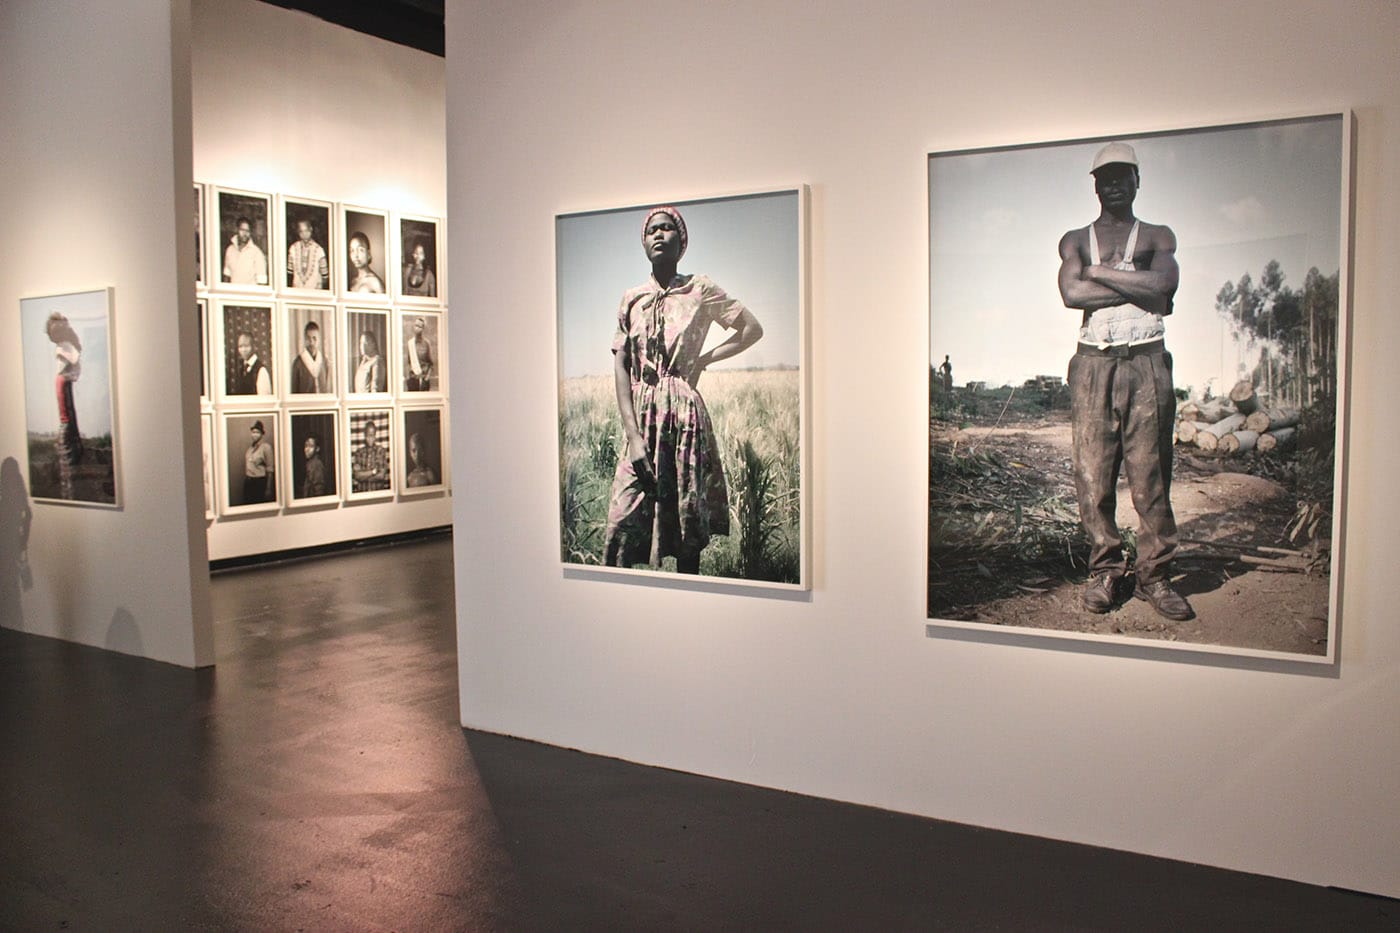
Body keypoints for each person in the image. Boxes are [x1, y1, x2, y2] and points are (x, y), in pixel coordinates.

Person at [1057, 141, 1191, 621]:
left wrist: (1102, 278)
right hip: (1094, 365)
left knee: (1150, 475)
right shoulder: (1076, 241)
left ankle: (1155, 576)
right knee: (1092, 475)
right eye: (1105, 177)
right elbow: (1073, 293)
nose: (1114, 184)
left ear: (1138, 181)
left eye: (1122, 176)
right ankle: (1107, 570)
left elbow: (1164, 287)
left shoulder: (1157, 235)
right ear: (1095, 185)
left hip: (1147, 364)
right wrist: (1129, 281)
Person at [603, 205, 763, 574]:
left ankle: (690, 597)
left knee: (686, 518)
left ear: (682, 240)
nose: (659, 234)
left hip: (684, 415)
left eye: (667, 228)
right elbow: (621, 364)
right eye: (651, 230)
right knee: (622, 520)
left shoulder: (700, 289)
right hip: (642, 417)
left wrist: (704, 360)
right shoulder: (631, 298)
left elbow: (750, 329)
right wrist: (634, 436)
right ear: (644, 242)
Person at [45, 313, 84, 497]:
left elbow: (74, 360)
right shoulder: (65, 346)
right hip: (63, 384)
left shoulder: (65, 346)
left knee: (66, 424)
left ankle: (68, 481)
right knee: (67, 421)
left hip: (63, 384)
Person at [223, 216, 268, 285]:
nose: (245, 234)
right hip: (232, 294)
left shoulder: (257, 253)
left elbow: (262, 282)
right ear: (237, 230)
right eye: (242, 230)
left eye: (247, 231)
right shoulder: (230, 250)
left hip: (248, 295)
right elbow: (227, 275)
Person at [287, 217, 329, 290]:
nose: (304, 234)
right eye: (301, 231)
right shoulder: (293, 248)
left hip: (314, 291)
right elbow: (290, 272)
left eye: (306, 230)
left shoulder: (319, 250)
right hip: (297, 290)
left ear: (311, 229)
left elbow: (325, 275)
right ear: (298, 232)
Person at [290, 320, 330, 394]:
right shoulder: (298, 363)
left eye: (314, 338)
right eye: (308, 338)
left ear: (319, 340)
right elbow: (294, 392)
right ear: (305, 339)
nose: (311, 342)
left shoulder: (324, 361)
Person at [351, 420, 390, 492]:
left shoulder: (381, 451)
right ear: (365, 436)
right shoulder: (359, 452)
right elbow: (357, 476)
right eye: (368, 435)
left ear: (375, 436)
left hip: (377, 493)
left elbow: (381, 476)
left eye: (372, 435)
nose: (370, 438)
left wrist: (363, 477)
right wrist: (373, 472)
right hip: (362, 493)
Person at [242, 420, 274, 504]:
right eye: (253, 432)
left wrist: (268, 488)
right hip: (248, 482)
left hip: (259, 483)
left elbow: (270, 469)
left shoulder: (266, 447)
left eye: (257, 432)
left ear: (262, 434)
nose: (255, 434)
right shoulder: (250, 448)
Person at [231, 331, 272, 395]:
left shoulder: (261, 370)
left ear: (253, 347)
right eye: (240, 346)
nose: (243, 350)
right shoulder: (241, 369)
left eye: (246, 346)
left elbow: (265, 399)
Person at [403, 316, 434, 391]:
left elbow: (431, 364)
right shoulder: (410, 343)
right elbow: (408, 362)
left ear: (423, 329)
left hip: (424, 380)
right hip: (413, 380)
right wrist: (408, 378)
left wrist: (427, 378)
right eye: (416, 325)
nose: (417, 328)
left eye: (420, 326)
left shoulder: (426, 344)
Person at [301, 433, 327, 499]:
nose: (307, 449)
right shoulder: (310, 463)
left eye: (311, 446)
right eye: (306, 446)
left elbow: (319, 489)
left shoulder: (317, 464)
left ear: (317, 449)